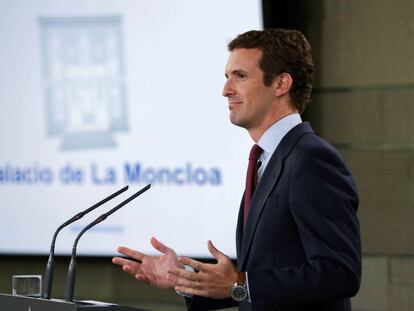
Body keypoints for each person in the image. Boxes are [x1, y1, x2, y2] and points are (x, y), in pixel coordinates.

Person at [113, 28, 361, 311]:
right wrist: (184, 278)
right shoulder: (267, 158)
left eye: (240, 76)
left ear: (281, 84)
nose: (226, 90)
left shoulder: (311, 159)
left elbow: (340, 273)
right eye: (227, 77)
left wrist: (239, 285)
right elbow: (265, 272)